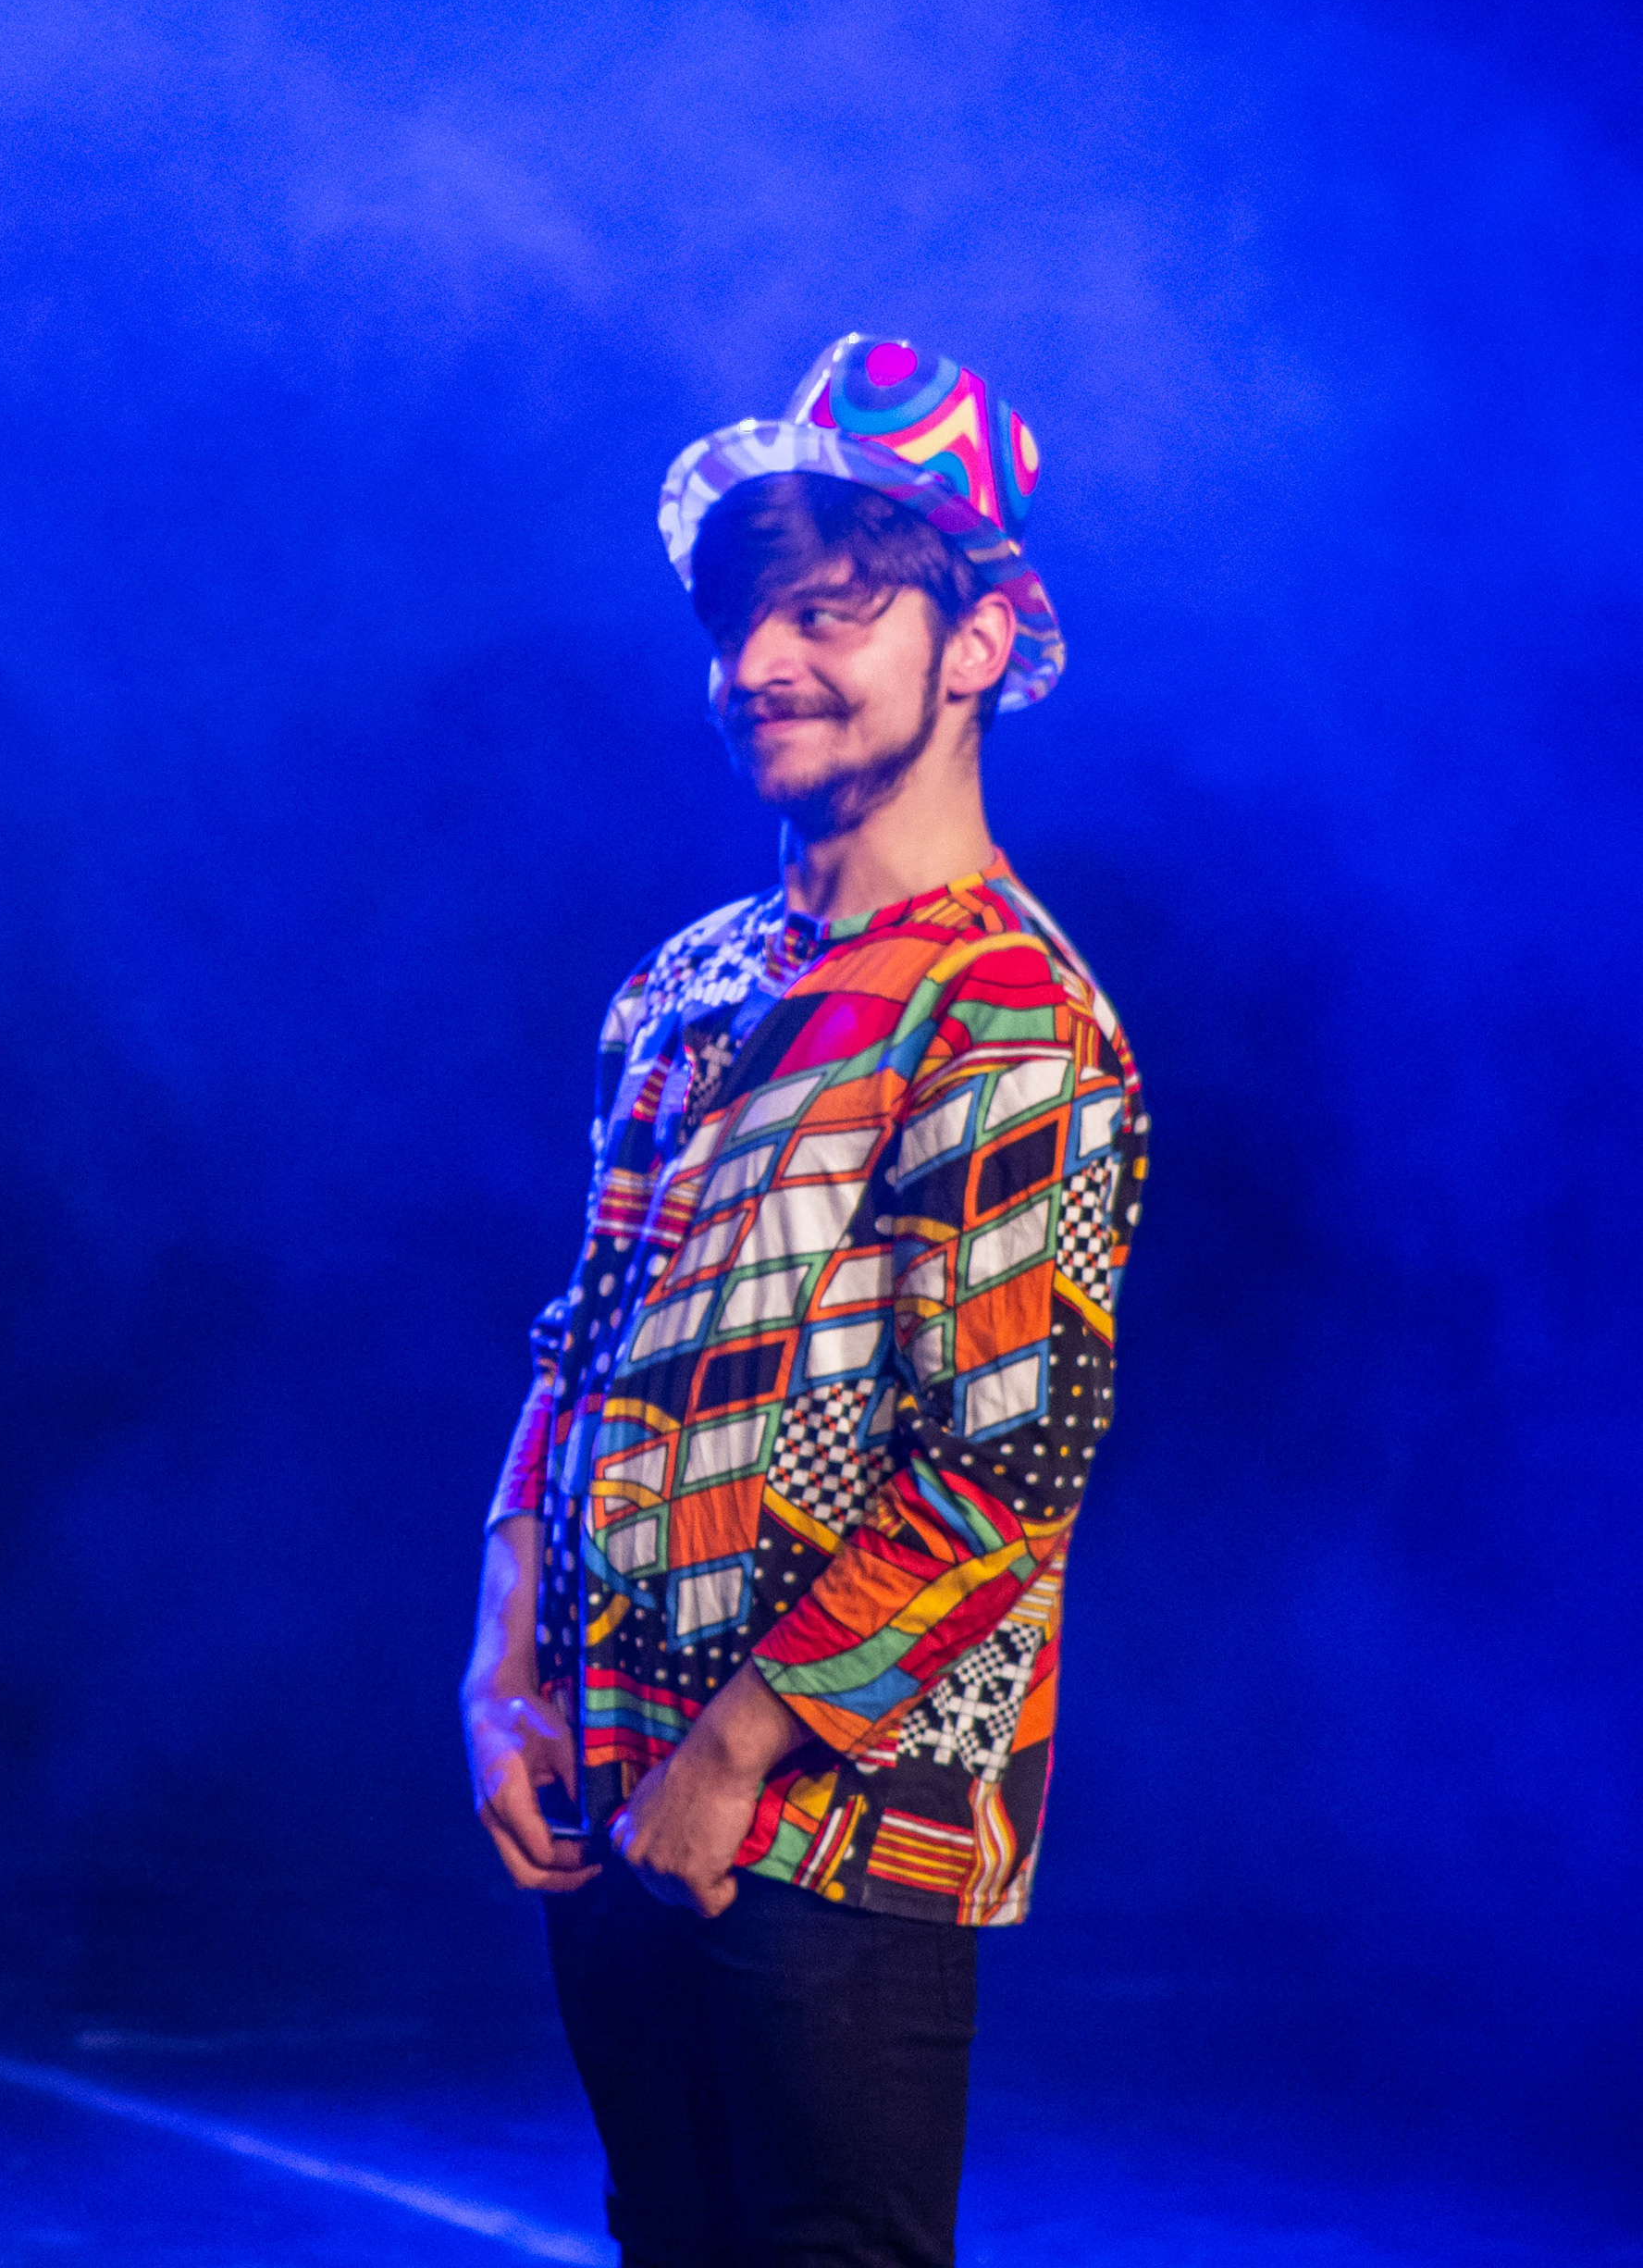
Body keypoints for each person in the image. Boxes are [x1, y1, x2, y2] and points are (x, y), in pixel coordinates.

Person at [457, 334, 1146, 2266]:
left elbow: (1003, 1474)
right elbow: (581, 1334)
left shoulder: (1011, 1015)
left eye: (831, 611)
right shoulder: (684, 987)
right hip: (614, 1789)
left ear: (979, 639)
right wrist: (502, 1666)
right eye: (741, 619)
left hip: (840, 1831)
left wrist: (734, 1754)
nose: (760, 661)